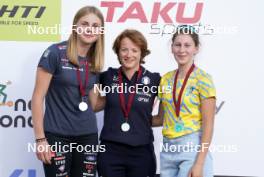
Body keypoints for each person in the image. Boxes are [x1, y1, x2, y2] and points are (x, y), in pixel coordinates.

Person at [31, 6, 104, 177]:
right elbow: (37, 97)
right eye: (84, 24)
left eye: (95, 26)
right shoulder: (55, 53)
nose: (89, 29)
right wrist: (40, 139)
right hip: (57, 135)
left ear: (100, 32)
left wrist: (124, 95)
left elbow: (93, 104)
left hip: (87, 136)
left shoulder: (95, 61)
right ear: (74, 27)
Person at [95, 29, 160, 177]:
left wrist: (140, 121)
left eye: (134, 50)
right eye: (124, 50)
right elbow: (93, 105)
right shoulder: (107, 76)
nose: (128, 55)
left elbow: (162, 117)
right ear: (117, 52)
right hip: (110, 151)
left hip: (142, 152)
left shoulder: (155, 80)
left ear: (141, 53)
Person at [157, 25, 216, 177]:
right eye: (177, 45)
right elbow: (161, 118)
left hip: (192, 149)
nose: (182, 50)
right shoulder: (165, 79)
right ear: (172, 48)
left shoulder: (203, 79)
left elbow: (208, 124)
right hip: (168, 150)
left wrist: (199, 163)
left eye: (187, 45)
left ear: (196, 48)